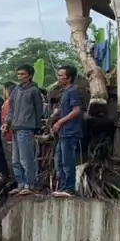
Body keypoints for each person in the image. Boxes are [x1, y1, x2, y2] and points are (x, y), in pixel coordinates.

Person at [7, 66, 46, 196]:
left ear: (29, 75)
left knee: (26, 158)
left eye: (22, 74)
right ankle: (20, 184)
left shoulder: (34, 91)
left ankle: (29, 184)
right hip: (15, 127)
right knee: (15, 160)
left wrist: (36, 126)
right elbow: (11, 108)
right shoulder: (16, 90)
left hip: (26, 127)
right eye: (18, 74)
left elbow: (39, 110)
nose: (20, 76)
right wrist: (7, 122)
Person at [51, 65, 84, 198]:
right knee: (59, 160)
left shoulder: (72, 91)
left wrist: (59, 122)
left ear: (68, 78)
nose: (58, 78)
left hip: (70, 132)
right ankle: (63, 186)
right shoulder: (65, 91)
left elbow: (76, 110)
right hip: (64, 132)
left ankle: (69, 188)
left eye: (61, 75)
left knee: (67, 161)